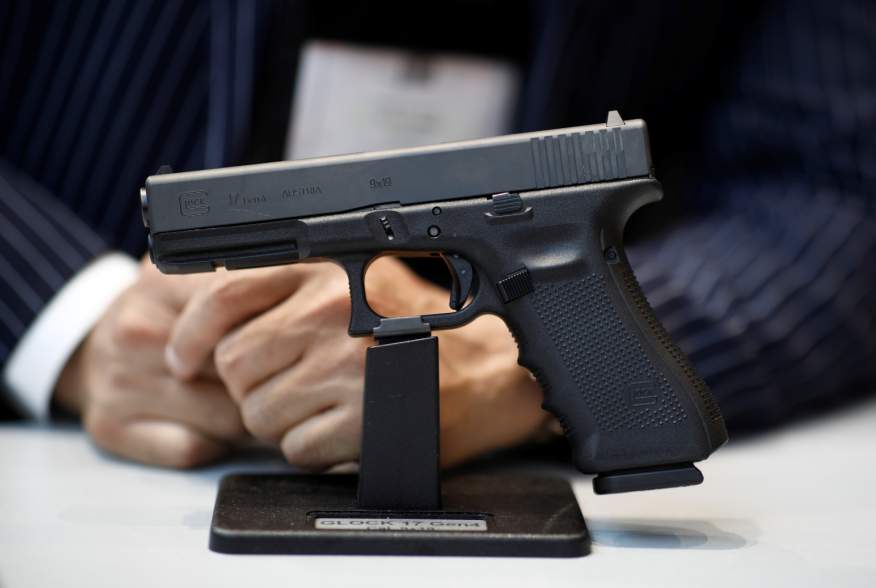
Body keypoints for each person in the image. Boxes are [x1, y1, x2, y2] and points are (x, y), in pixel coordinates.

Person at [1, 0, 874, 470]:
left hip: (530, 472)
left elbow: (838, 186)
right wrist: (68, 315)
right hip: (99, 458)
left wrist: (518, 368)